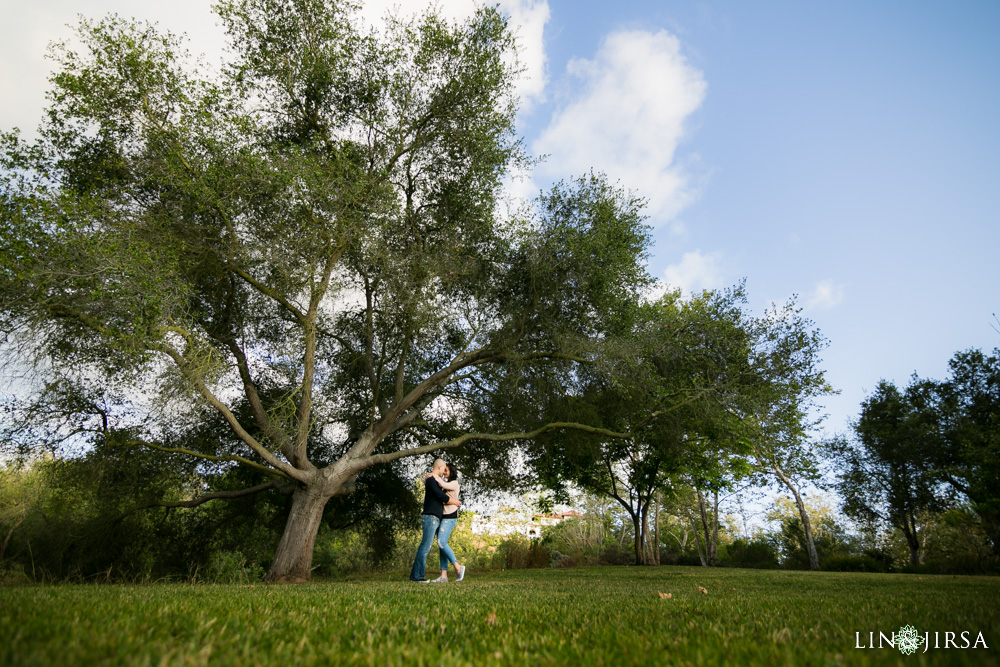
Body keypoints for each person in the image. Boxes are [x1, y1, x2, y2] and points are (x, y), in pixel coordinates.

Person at [409, 458, 460, 582]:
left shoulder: (434, 480)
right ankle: (417, 577)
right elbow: (441, 496)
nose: (444, 472)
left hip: (435, 518)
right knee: (425, 547)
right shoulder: (432, 480)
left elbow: (443, 490)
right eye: (444, 469)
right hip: (430, 517)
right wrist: (455, 502)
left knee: (436, 544)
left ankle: (438, 575)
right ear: (439, 467)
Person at [429, 464, 466, 583]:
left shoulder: (454, 483)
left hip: (450, 516)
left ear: (451, 471)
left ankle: (458, 567)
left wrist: (434, 475)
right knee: (441, 546)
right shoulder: (446, 484)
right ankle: (443, 576)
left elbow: (443, 484)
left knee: (441, 542)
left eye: (446, 470)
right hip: (443, 515)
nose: (444, 473)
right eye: (444, 470)